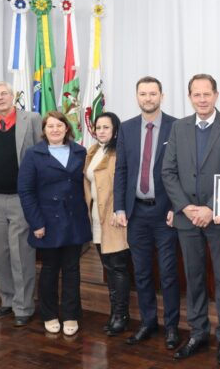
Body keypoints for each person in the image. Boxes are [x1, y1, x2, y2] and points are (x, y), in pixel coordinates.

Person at [162, 74, 220, 365]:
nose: (202, 99)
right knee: (194, 279)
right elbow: (168, 172)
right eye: (196, 95)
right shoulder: (178, 127)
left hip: (219, 219)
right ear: (189, 97)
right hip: (187, 220)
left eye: (206, 94)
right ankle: (198, 332)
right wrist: (185, 207)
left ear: (216, 95)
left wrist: (210, 208)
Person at [114, 76, 181, 349]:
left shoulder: (177, 127)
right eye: (143, 93)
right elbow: (122, 171)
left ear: (161, 96)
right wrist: (119, 206)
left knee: (168, 273)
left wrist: (178, 207)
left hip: (165, 214)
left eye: (153, 93)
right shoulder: (127, 128)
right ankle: (148, 322)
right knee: (141, 273)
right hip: (136, 214)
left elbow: (182, 172)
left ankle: (173, 327)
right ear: (137, 96)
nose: (148, 98)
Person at [18, 111, 90, 336]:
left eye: (60, 125)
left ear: (67, 128)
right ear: (44, 130)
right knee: (49, 270)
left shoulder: (80, 151)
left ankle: (71, 315)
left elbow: (85, 185)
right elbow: (26, 192)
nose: (55, 129)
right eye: (51, 126)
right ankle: (48, 314)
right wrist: (36, 223)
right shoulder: (33, 154)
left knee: (72, 269)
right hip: (47, 222)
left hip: (74, 220)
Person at [0, 82, 41, 326]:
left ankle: (24, 306)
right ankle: (7, 300)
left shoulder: (32, 119)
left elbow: (40, 154)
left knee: (21, 253)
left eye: (4, 93)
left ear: (13, 95)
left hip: (21, 198)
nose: (0, 98)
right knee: (1, 253)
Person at [84, 112, 131, 336]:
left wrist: (118, 210)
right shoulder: (93, 151)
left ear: (115, 130)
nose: (101, 131)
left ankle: (121, 315)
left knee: (118, 267)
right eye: (98, 127)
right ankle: (115, 312)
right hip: (97, 217)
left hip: (114, 217)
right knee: (108, 267)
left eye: (106, 127)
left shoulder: (120, 152)